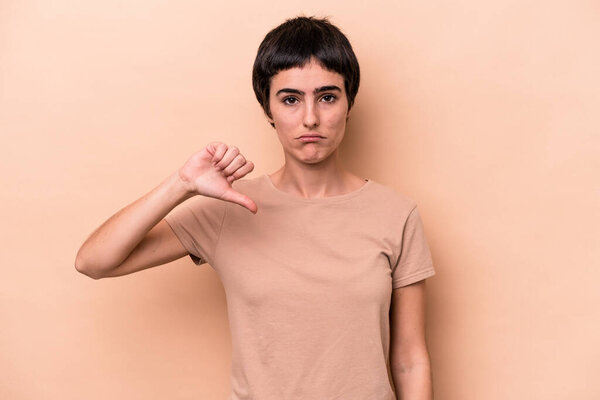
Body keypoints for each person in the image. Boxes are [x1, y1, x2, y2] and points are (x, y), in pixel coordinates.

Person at [75, 15, 436, 400]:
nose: (310, 118)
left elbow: (410, 359)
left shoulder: (396, 214)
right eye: (291, 99)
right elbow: (94, 262)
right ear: (267, 108)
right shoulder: (230, 209)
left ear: (349, 103)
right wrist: (182, 184)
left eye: (328, 97)